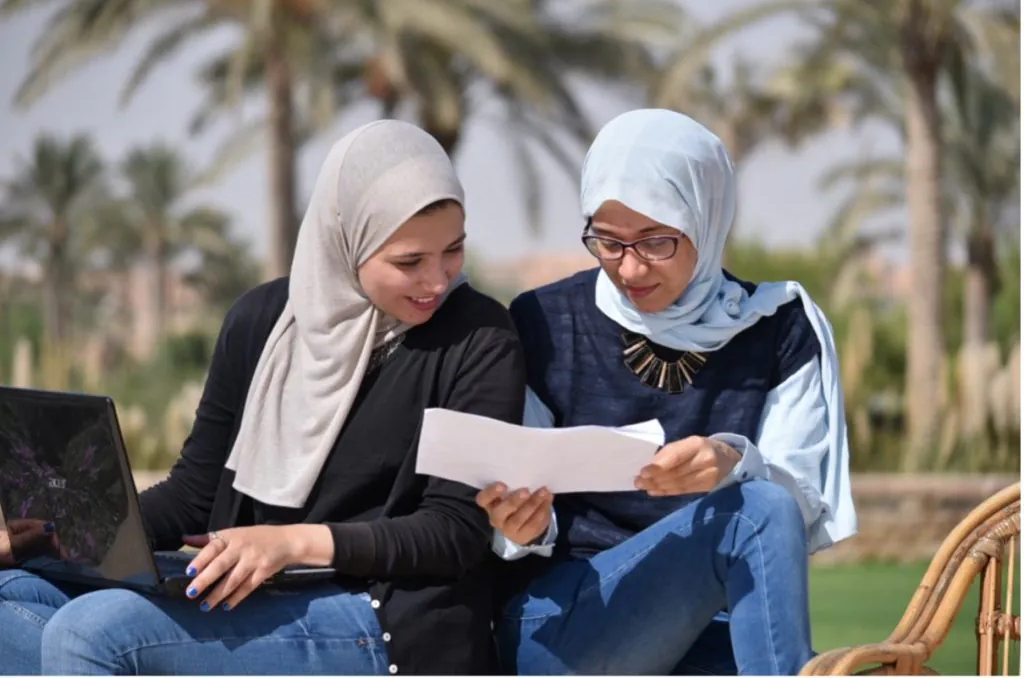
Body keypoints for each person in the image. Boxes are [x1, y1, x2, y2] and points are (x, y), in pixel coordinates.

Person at [0, 119, 526, 676]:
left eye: (453, 250)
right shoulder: (262, 322)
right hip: (245, 590)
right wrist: (51, 534)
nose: (438, 280)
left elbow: (453, 531)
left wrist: (288, 544)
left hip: (382, 615)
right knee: (14, 592)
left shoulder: (480, 337)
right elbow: (193, 496)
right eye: (409, 262)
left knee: (91, 634)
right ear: (345, 240)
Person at [477, 109, 857, 676]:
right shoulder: (545, 321)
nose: (628, 268)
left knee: (762, 506)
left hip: (708, 626)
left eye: (655, 241)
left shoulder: (777, 326)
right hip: (564, 627)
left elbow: (795, 510)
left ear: (706, 219)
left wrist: (733, 463)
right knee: (754, 511)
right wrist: (523, 525)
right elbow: (517, 487)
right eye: (606, 241)